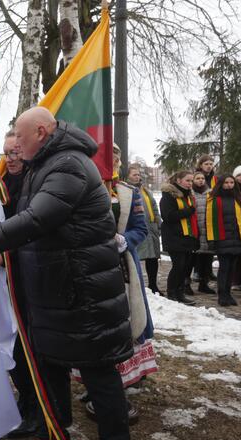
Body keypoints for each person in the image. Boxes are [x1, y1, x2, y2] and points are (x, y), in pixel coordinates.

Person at [0, 106, 131, 440]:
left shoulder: (68, 166)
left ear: (42, 133)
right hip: (55, 293)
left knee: (99, 376)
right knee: (51, 371)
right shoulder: (44, 166)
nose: (15, 142)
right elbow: (22, 211)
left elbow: (37, 218)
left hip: (83, 296)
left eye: (19, 133)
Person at [82, 155, 155, 425]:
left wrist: (124, 240)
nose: (110, 162)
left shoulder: (127, 192)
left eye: (114, 158)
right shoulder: (82, 185)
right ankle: (95, 386)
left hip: (121, 266)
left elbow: (141, 229)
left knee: (122, 320)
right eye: (105, 157)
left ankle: (118, 386)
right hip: (88, 265)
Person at [0, 131, 43, 439]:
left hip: (31, 274)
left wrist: (5, 252)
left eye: (15, 152)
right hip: (7, 276)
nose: (10, 159)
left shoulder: (38, 180)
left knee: (28, 346)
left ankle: (38, 412)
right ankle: (25, 402)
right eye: (6, 153)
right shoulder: (3, 181)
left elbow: (32, 227)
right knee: (10, 340)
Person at [205, 175, 241, 306]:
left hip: (237, 239)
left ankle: (228, 294)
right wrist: (211, 240)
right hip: (222, 239)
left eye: (232, 182)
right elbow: (208, 222)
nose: (229, 185)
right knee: (224, 268)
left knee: (232, 268)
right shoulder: (214, 200)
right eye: (226, 182)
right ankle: (222, 294)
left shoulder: (238, 199)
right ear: (221, 184)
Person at [160, 171, 198, 305]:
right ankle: (172, 293)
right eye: (188, 180)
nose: (190, 184)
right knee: (178, 266)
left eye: (191, 181)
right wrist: (189, 211)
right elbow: (168, 216)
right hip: (174, 237)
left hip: (187, 236)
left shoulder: (187, 196)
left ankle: (180, 292)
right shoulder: (168, 195)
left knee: (185, 267)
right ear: (178, 180)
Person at [126, 165, 162, 295]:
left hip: (150, 229)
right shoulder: (126, 189)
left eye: (138, 175)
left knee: (152, 258)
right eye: (134, 174)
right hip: (136, 229)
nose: (137, 177)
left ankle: (153, 285)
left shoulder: (145, 190)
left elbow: (154, 206)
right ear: (127, 175)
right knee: (135, 258)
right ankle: (135, 286)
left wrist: (158, 222)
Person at [191, 171, 216, 294]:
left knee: (207, 259)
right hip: (195, 230)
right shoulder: (190, 193)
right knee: (194, 259)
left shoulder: (210, 193)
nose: (200, 180)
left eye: (202, 178)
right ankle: (186, 284)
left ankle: (204, 283)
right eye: (197, 178)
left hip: (208, 230)